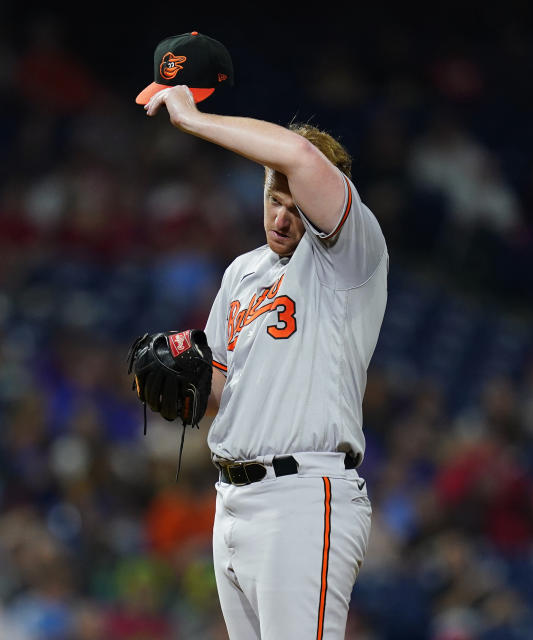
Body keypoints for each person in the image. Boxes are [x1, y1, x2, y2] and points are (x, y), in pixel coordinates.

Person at [139, 37, 389, 639]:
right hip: (232, 501)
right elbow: (224, 386)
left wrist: (193, 119)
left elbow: (301, 155)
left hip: (304, 496)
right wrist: (190, 377)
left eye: (295, 205)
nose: (281, 216)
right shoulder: (243, 271)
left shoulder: (350, 256)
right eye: (274, 200)